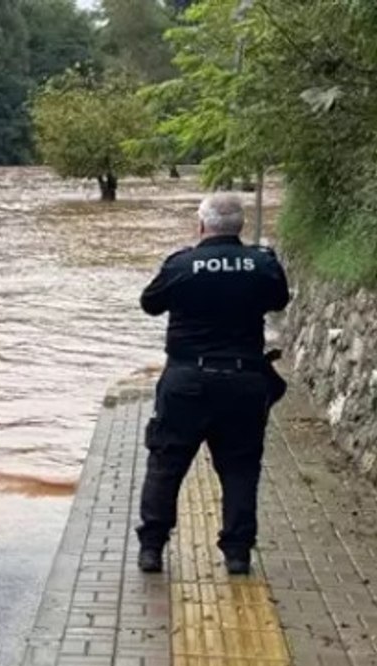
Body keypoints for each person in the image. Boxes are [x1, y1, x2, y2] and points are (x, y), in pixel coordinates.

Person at [137, 193, 291, 576]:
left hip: (186, 382)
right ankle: (237, 554)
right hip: (244, 381)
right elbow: (279, 300)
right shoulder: (262, 264)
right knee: (240, 468)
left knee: (166, 462)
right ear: (240, 225)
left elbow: (150, 303)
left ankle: (152, 549)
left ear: (202, 225)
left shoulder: (182, 264)